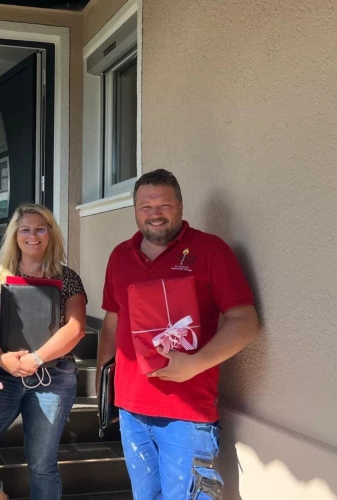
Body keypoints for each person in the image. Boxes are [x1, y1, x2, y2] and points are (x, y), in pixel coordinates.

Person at [96, 169, 260, 500]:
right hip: (131, 409)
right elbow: (112, 322)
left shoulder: (211, 251)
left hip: (186, 412)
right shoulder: (120, 256)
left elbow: (245, 321)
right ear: (135, 210)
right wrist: (104, 382)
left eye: (164, 205)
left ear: (181, 206)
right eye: (146, 207)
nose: (155, 214)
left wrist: (195, 363)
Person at [0, 203, 88, 500]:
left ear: (51, 234)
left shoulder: (67, 277)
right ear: (14, 235)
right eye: (26, 230)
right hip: (1, 375)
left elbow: (77, 328)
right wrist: (3, 359)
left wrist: (36, 358)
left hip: (53, 377)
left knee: (42, 465)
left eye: (40, 229)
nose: (33, 236)